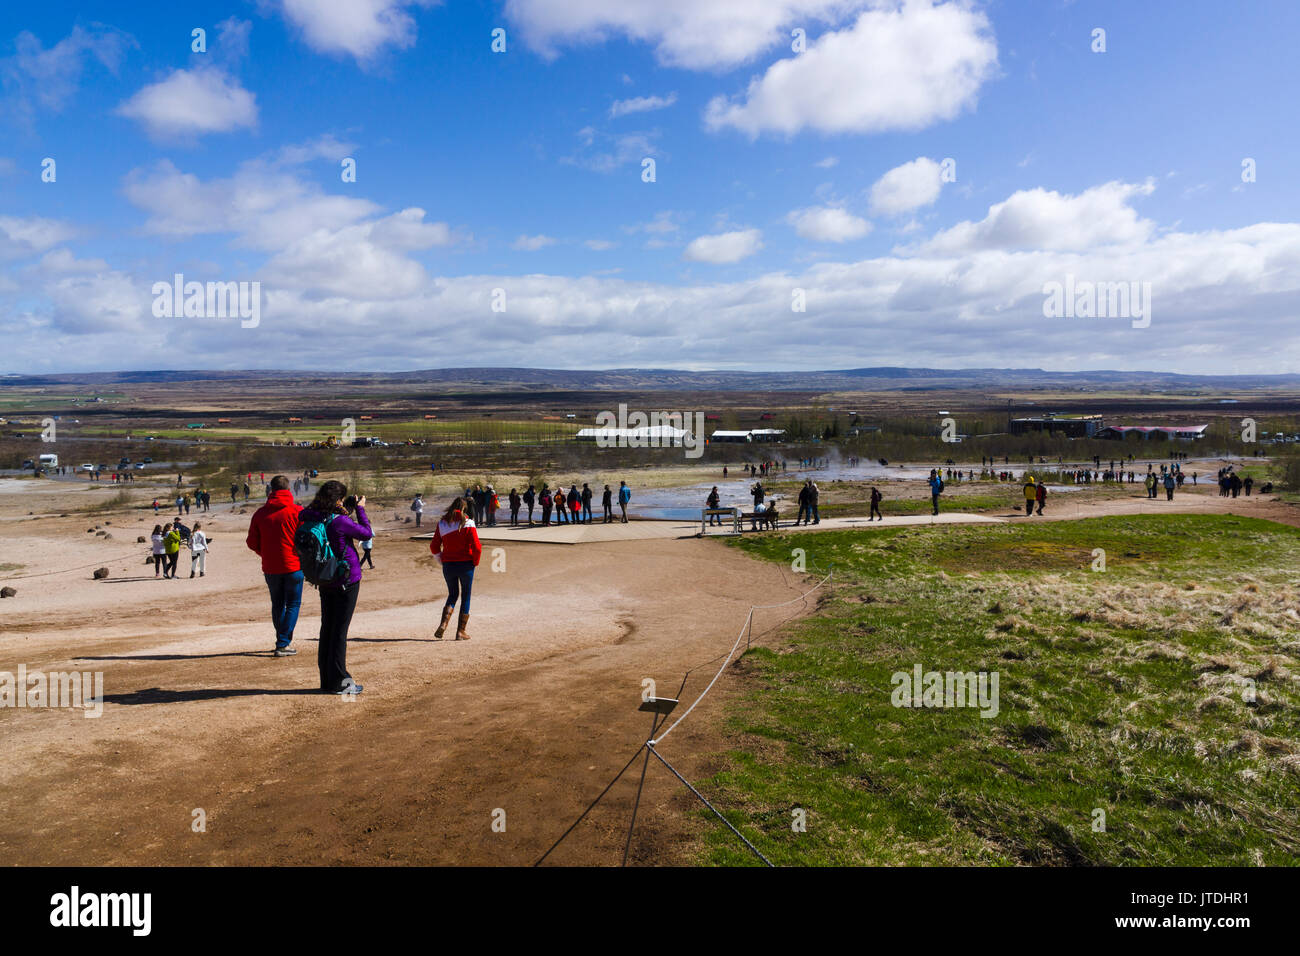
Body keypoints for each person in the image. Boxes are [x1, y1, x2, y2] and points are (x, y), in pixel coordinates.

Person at [299, 481, 371, 694]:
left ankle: (327, 680)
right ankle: (340, 682)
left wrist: (343, 510)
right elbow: (366, 533)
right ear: (338, 499)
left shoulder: (309, 515)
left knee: (328, 628)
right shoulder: (339, 521)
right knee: (339, 631)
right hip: (345, 579)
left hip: (324, 579)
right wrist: (359, 509)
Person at [246, 475, 304, 658]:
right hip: (293, 565)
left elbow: (251, 542)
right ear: (289, 490)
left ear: (271, 490)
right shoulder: (297, 511)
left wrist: (264, 553)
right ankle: (283, 643)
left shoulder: (260, 513)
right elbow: (306, 539)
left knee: (278, 605)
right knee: (293, 604)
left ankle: (282, 640)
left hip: (270, 566)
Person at [430, 496, 482, 641]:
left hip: (448, 565)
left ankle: (443, 624)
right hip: (466, 565)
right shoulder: (469, 523)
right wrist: (475, 562)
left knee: (453, 595)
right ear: (464, 509)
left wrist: (441, 560)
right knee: (466, 596)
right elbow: (477, 547)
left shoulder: (442, 524)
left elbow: (434, 546)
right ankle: (461, 632)